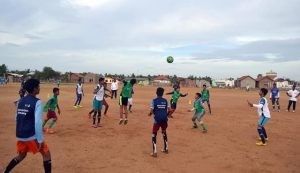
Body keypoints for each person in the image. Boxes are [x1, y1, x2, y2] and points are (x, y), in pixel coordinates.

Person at [4, 79, 52, 173]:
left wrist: (20, 131)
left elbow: (16, 118)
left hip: (20, 134)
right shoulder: (37, 102)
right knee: (46, 154)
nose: (39, 88)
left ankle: (6, 171)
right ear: (34, 89)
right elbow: (38, 122)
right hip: (31, 135)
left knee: (22, 155)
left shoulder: (20, 101)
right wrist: (40, 139)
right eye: (38, 86)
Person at [148, 87, 170, 157]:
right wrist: (167, 115)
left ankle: (154, 152)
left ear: (156, 93)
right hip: (164, 119)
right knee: (164, 132)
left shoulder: (154, 100)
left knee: (154, 134)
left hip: (157, 119)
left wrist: (150, 114)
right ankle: (166, 148)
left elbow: (151, 110)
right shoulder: (166, 100)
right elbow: (169, 109)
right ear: (163, 93)